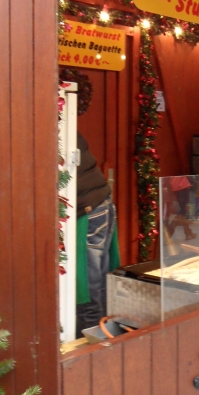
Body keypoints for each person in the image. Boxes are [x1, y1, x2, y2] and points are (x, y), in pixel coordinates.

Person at [76, 132, 120, 337]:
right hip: (102, 203)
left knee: (88, 287)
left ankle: (94, 342)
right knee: (101, 283)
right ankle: (105, 336)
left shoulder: (53, 131)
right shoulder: (68, 128)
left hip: (88, 210)